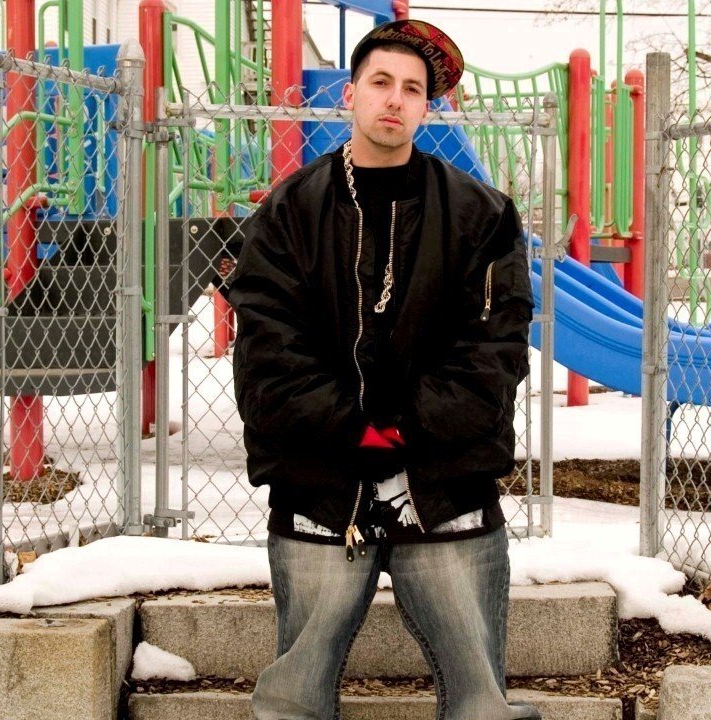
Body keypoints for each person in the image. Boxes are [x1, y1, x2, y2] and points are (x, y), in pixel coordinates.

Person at [228, 18, 539, 720]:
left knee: (480, 701)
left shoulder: (480, 215)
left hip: (444, 480)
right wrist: (354, 430)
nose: (394, 99)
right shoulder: (290, 212)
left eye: (412, 89)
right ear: (351, 94)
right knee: (294, 700)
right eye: (380, 82)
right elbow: (269, 355)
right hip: (321, 482)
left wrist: (405, 429)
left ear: (428, 106)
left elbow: (493, 350)